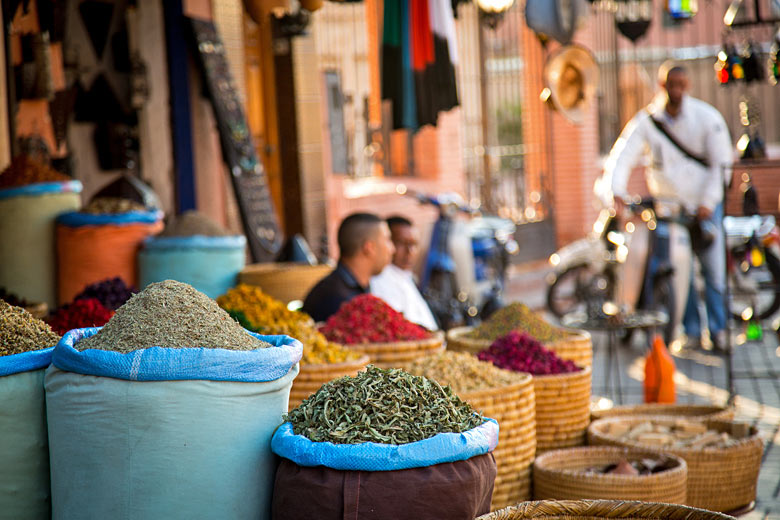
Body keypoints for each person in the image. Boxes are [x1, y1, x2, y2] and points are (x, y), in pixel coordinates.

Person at [597, 62, 733, 350]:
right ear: (662, 86)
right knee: (679, 269)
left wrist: (709, 202)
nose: (676, 91)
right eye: (671, 85)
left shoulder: (706, 118)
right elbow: (622, 156)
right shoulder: (648, 121)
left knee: (713, 271)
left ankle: (719, 331)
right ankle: (692, 331)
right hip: (670, 211)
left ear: (688, 87)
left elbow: (722, 164)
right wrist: (616, 192)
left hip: (704, 207)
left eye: (681, 85)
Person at [302, 213, 395, 323]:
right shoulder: (336, 298)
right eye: (388, 240)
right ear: (369, 248)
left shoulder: (358, 288)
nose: (392, 249)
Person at [370, 216, 439, 331]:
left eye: (414, 244)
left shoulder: (405, 275)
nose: (410, 252)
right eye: (402, 243)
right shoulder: (380, 279)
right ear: (388, 244)